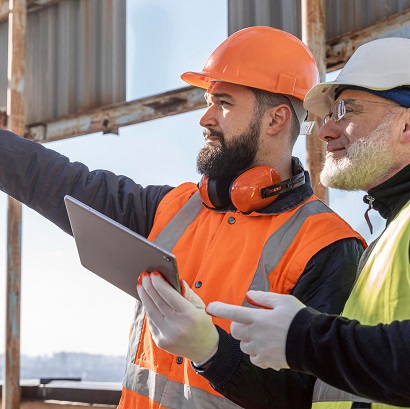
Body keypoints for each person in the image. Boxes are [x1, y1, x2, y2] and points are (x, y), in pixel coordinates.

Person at [0, 26, 365, 409]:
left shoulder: (328, 247)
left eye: (223, 102)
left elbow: (311, 397)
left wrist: (213, 353)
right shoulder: (170, 208)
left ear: (275, 120)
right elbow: (57, 179)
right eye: (208, 101)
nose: (204, 118)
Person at [207, 36, 410, 408]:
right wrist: (211, 354)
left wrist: (303, 338)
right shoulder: (393, 230)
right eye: (328, 115)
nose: (325, 131)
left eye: (346, 110)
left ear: (407, 126)